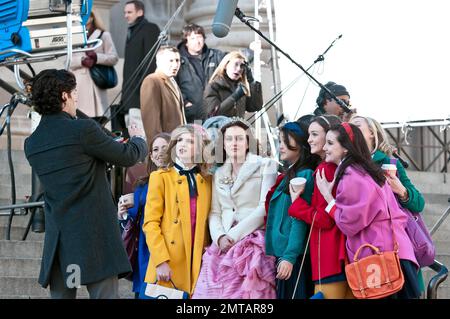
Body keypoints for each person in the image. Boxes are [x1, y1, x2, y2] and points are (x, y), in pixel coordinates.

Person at [24, 69, 148, 299]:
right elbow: (128, 155)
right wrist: (140, 138)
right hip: (95, 237)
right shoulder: (82, 130)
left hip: (60, 241)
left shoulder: (32, 143)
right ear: (63, 96)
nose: (76, 98)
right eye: (74, 93)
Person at [316, 122, 421, 299]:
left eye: (330, 143)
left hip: (380, 257)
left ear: (346, 148)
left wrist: (328, 197)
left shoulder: (352, 175)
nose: (325, 147)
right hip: (396, 254)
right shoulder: (365, 170)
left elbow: (348, 224)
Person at [192, 118, 278, 299]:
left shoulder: (265, 165)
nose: (234, 143)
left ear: (248, 142)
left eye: (239, 138)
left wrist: (233, 235)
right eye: (229, 139)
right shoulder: (218, 173)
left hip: (252, 239)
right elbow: (215, 212)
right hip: (223, 243)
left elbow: (264, 207)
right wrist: (220, 237)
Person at [350, 115, 426, 292]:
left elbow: (419, 203)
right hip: (362, 246)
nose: (351, 129)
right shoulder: (347, 164)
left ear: (372, 133)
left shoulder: (389, 162)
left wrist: (401, 190)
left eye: (357, 125)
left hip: (394, 244)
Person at [142, 124, 212, 297]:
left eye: (189, 141)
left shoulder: (207, 180)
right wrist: (160, 261)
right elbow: (150, 223)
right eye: (179, 140)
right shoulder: (160, 177)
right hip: (169, 263)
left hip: (199, 261)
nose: (182, 144)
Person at [288, 115, 353, 299]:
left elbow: (324, 219)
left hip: (328, 257)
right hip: (341, 257)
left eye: (315, 134)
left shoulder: (326, 169)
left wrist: (297, 203)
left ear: (330, 136)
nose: (309, 140)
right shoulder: (337, 167)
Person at [265, 121, 320, 299]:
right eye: (279, 141)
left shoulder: (304, 175)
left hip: (294, 257)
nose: (280, 146)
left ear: (300, 142)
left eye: (285, 141)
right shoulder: (291, 173)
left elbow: (300, 219)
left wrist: (289, 257)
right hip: (285, 254)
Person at [118, 132, 170, 298]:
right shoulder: (142, 185)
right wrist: (123, 215)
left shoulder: (183, 179)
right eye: (155, 149)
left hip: (172, 248)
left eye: (165, 148)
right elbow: (132, 221)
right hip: (146, 251)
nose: (160, 152)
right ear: (151, 157)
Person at [114, 0, 161, 135]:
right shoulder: (132, 30)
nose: (126, 15)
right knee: (132, 132)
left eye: (129, 12)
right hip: (129, 95)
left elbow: (151, 62)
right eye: (125, 12)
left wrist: (143, 89)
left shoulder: (150, 28)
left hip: (140, 95)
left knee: (141, 134)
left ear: (140, 12)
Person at [70, 10, 119, 118]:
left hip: (97, 81)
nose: (81, 18)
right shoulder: (73, 36)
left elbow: (114, 58)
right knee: (80, 118)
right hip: (79, 84)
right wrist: (81, 61)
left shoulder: (103, 35)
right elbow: (67, 61)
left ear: (92, 18)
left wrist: (97, 58)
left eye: (84, 16)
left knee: (98, 120)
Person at [176, 23, 226, 123]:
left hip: (215, 111)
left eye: (199, 37)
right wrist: (184, 102)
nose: (197, 41)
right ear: (186, 42)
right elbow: (173, 83)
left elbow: (232, 60)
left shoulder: (216, 55)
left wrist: (250, 52)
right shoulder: (177, 60)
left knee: (216, 137)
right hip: (192, 114)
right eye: (193, 38)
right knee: (197, 138)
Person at [140, 46, 186, 144]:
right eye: (171, 60)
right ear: (159, 62)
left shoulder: (172, 80)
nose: (175, 65)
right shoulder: (152, 81)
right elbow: (151, 123)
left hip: (176, 146)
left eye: (177, 60)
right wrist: (159, 148)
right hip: (164, 149)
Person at [204, 51, 263, 119]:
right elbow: (213, 114)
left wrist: (252, 82)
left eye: (242, 66)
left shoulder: (241, 88)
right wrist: (235, 96)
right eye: (236, 64)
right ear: (226, 65)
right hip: (218, 129)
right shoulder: (213, 87)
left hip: (237, 129)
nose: (238, 69)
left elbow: (255, 107)